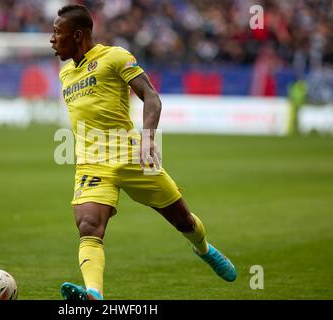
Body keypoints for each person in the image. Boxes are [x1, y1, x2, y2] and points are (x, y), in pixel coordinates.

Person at [50, 4, 236, 300]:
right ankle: (94, 294)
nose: (51, 39)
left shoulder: (115, 57)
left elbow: (152, 97)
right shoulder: (64, 74)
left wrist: (149, 138)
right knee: (88, 227)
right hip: (91, 163)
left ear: (77, 35)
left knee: (182, 220)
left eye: (56, 33)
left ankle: (203, 248)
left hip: (132, 156)